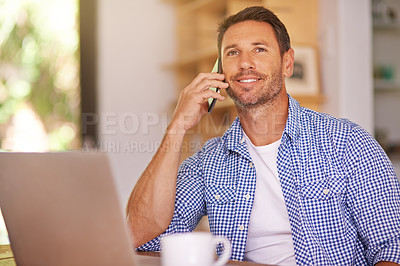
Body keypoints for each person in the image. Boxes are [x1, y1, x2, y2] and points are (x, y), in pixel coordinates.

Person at [126, 6, 400, 266]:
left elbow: (392, 248)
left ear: (287, 63)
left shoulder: (346, 142)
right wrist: (177, 128)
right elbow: (141, 237)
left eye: (259, 49)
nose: (245, 63)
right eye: (232, 53)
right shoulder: (208, 162)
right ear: (220, 72)